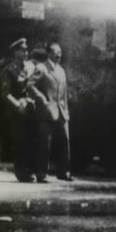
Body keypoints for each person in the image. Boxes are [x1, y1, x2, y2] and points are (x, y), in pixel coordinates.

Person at [1, 38, 36, 182]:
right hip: (17, 112)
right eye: (23, 50)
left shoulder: (29, 68)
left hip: (30, 109)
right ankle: (21, 172)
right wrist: (17, 105)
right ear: (16, 53)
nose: (26, 52)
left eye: (27, 50)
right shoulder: (10, 70)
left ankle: (29, 169)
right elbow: (5, 93)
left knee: (31, 140)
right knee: (20, 141)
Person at [24, 46, 58, 183]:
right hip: (42, 111)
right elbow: (30, 85)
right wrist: (42, 98)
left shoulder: (53, 69)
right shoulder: (41, 68)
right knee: (42, 143)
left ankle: (40, 172)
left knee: (44, 143)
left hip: (49, 111)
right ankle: (40, 173)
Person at [46, 42, 73, 181]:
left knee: (64, 140)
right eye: (56, 52)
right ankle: (43, 172)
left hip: (62, 111)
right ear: (49, 53)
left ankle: (64, 172)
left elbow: (64, 94)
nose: (59, 54)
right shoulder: (43, 68)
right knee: (47, 142)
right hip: (49, 110)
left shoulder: (61, 70)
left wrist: (66, 111)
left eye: (60, 52)